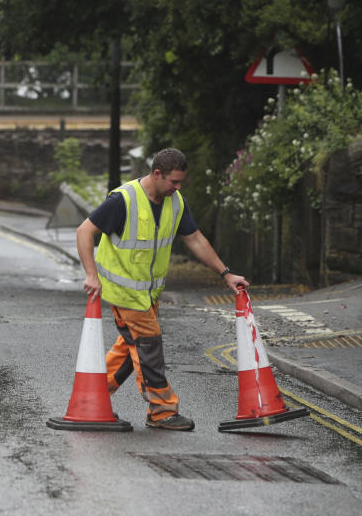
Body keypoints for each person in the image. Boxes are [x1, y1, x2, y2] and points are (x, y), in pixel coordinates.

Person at [75, 148, 249, 431]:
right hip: (125, 293)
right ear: (157, 174)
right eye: (174, 182)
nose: (178, 188)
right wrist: (91, 275)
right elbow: (84, 231)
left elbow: (194, 239)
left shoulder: (175, 202)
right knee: (148, 345)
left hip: (149, 295)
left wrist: (226, 274)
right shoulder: (124, 199)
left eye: (181, 182)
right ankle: (162, 410)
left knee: (131, 350)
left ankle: (91, 396)